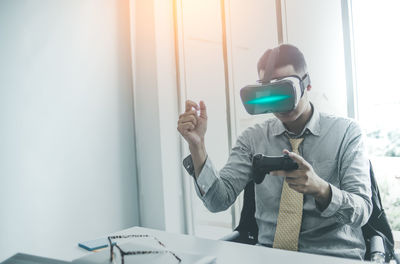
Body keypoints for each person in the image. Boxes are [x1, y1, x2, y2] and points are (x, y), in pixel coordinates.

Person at [176, 44, 372, 260]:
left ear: (307, 85)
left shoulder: (346, 133)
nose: (278, 104)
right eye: (270, 92)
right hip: (269, 256)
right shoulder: (253, 139)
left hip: (332, 256)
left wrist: (322, 189)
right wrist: (197, 146)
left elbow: (362, 211)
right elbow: (217, 201)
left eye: (284, 90)